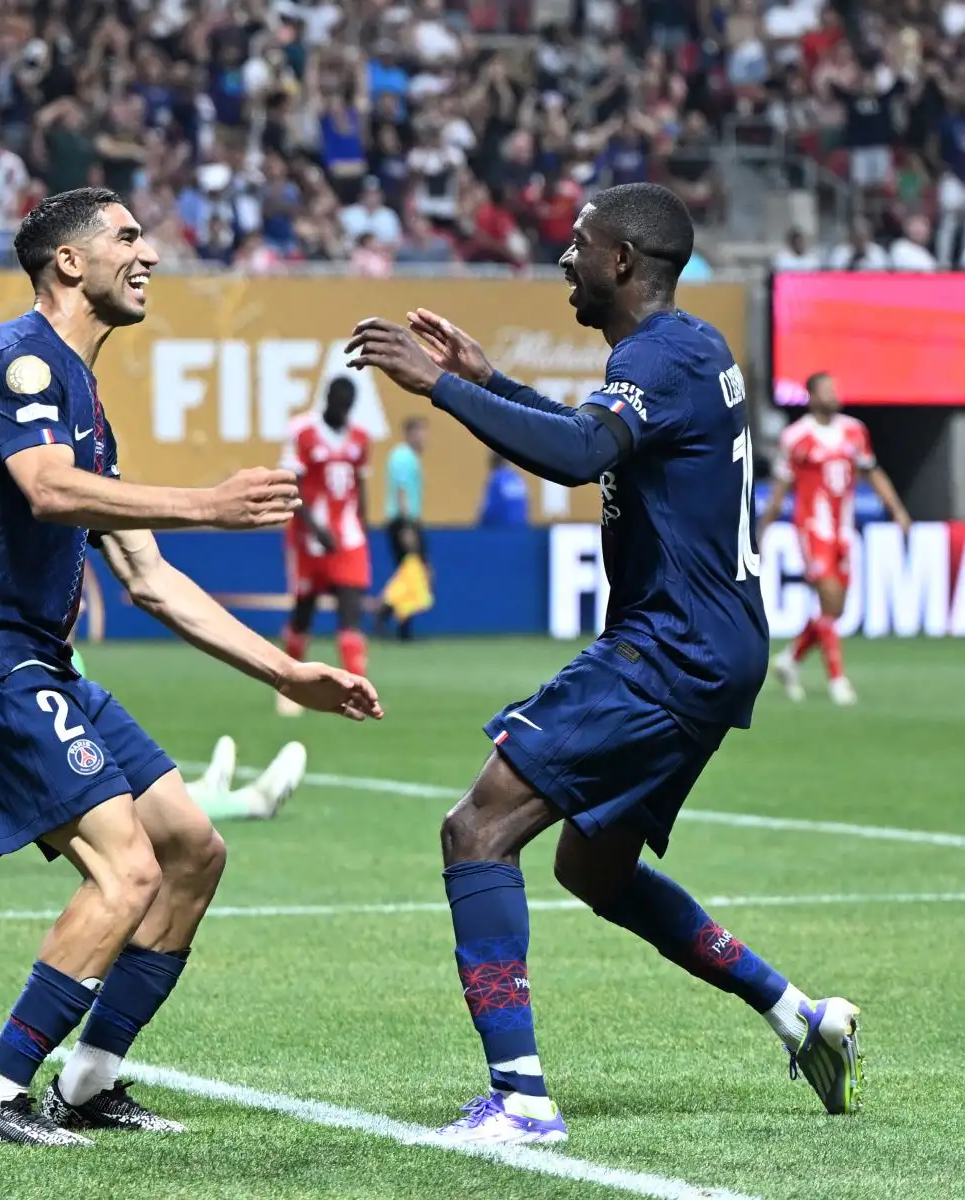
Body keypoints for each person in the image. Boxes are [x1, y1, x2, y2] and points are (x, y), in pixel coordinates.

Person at [347, 182, 862, 1147]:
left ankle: (522, 1101)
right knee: (594, 866)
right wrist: (493, 382)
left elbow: (583, 454)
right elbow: (600, 437)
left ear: (622, 260)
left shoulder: (662, 356)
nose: (565, 259)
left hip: (673, 644)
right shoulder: (685, 350)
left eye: (579, 244)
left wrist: (442, 388)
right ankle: (800, 1015)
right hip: (710, 644)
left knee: (477, 829)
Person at [0, 187, 381, 1147]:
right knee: (126, 870)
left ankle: (87, 1084)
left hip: (42, 663)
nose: (150, 253)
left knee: (194, 851)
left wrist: (285, 673)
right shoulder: (20, 357)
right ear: (69, 261)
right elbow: (46, 491)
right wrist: (208, 504)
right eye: (126, 237)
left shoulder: (85, 401)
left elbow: (149, 578)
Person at [0, 648, 311, 827]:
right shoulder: (40, 660)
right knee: (123, 806)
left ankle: (203, 792)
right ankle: (249, 802)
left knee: (121, 788)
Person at [758, 371, 910, 705]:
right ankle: (837, 679)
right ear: (812, 397)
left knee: (835, 610)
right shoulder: (796, 437)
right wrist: (764, 530)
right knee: (828, 596)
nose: (833, 394)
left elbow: (873, 472)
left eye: (834, 389)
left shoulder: (855, 431)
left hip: (843, 531)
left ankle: (789, 660)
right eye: (826, 390)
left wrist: (897, 509)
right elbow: (781, 489)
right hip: (813, 529)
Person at [275, 377, 373, 716]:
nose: (343, 410)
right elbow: (292, 487)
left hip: (348, 539)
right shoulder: (301, 431)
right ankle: (289, 687)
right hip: (310, 541)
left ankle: (357, 691)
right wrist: (315, 529)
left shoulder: (361, 437)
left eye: (348, 406)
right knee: (304, 613)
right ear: (327, 399)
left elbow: (360, 485)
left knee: (351, 614)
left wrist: (363, 526)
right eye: (339, 403)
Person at [378, 416, 428, 639]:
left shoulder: (406, 457)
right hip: (403, 522)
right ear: (409, 433)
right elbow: (402, 492)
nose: (425, 438)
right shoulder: (403, 457)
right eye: (421, 432)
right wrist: (408, 527)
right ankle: (385, 610)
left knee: (411, 575)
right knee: (412, 573)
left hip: (406, 522)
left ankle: (402, 625)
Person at [476, 451, 530, 527]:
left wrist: (479, 526)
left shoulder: (496, 479)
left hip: (501, 527)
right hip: (520, 526)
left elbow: (488, 509)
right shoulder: (517, 478)